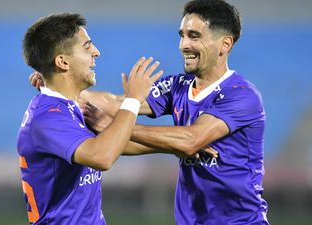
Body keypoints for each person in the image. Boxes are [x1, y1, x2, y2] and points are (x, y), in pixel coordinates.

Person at [34, 0, 269, 224]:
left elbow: (190, 140)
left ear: (225, 44)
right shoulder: (179, 85)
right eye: (182, 35)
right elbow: (118, 103)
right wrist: (55, 82)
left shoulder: (241, 95)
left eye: (194, 36)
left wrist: (109, 125)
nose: (183, 45)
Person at [16, 13, 166, 225]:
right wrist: (132, 100)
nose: (96, 52)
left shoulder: (68, 106)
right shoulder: (47, 118)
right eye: (87, 46)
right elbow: (102, 155)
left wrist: (178, 145)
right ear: (62, 61)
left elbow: (116, 142)